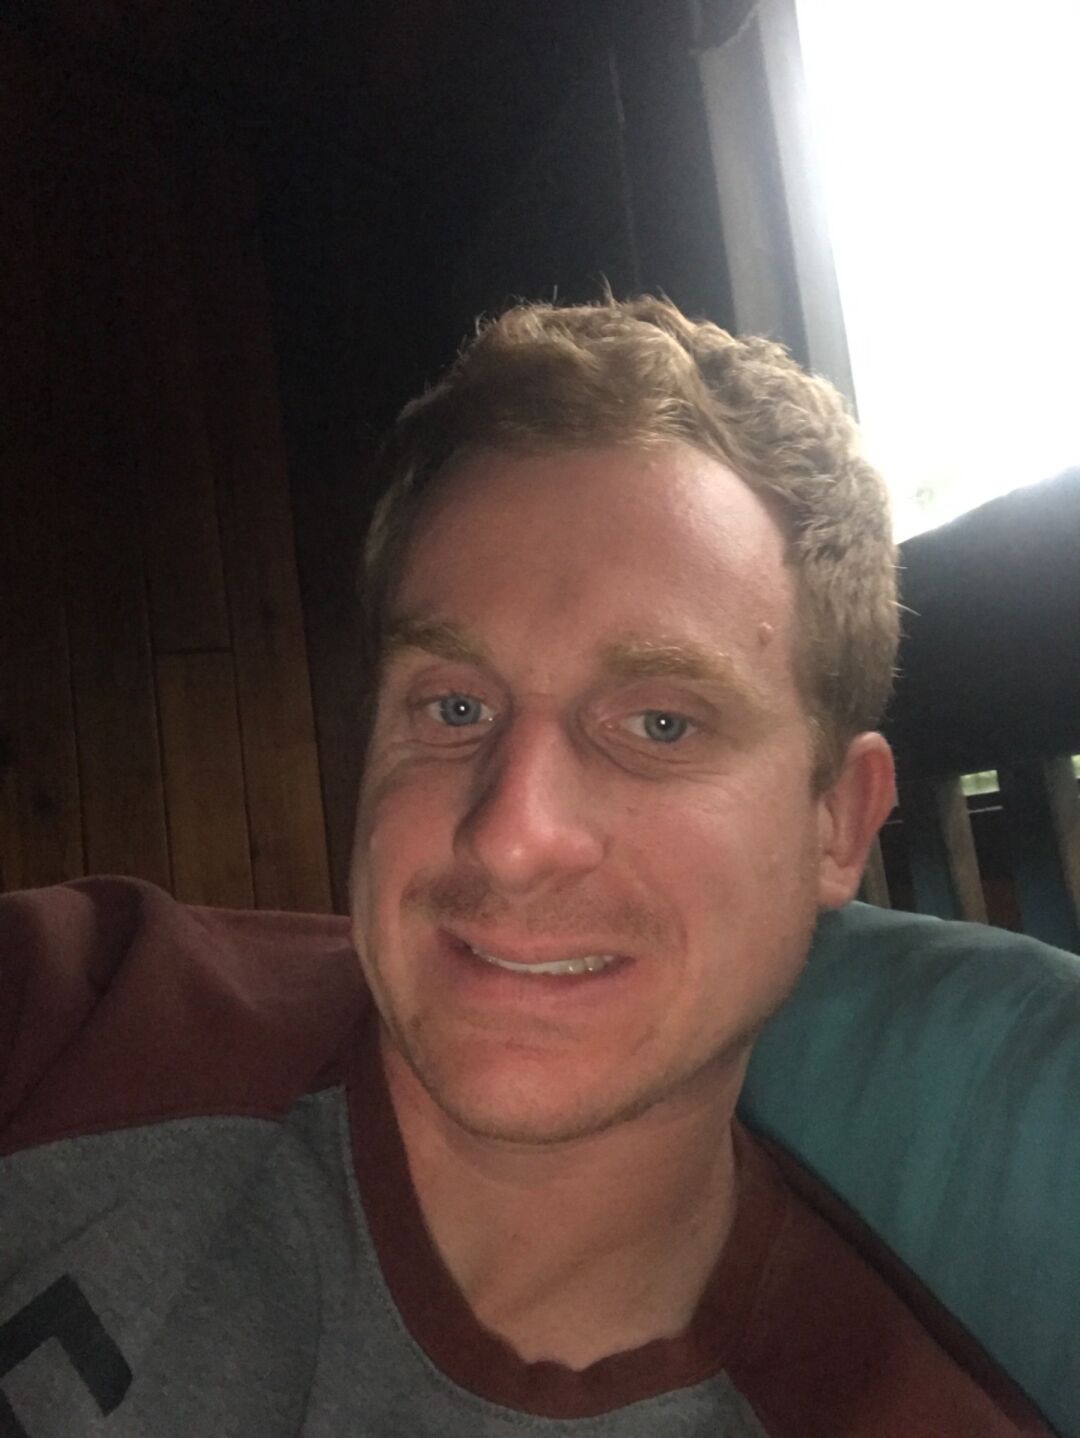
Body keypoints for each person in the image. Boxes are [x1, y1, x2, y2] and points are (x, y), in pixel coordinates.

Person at [0, 297, 1052, 1435]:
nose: (511, 833)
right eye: (455, 706)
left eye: (659, 724)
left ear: (838, 823)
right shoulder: (79, 1022)